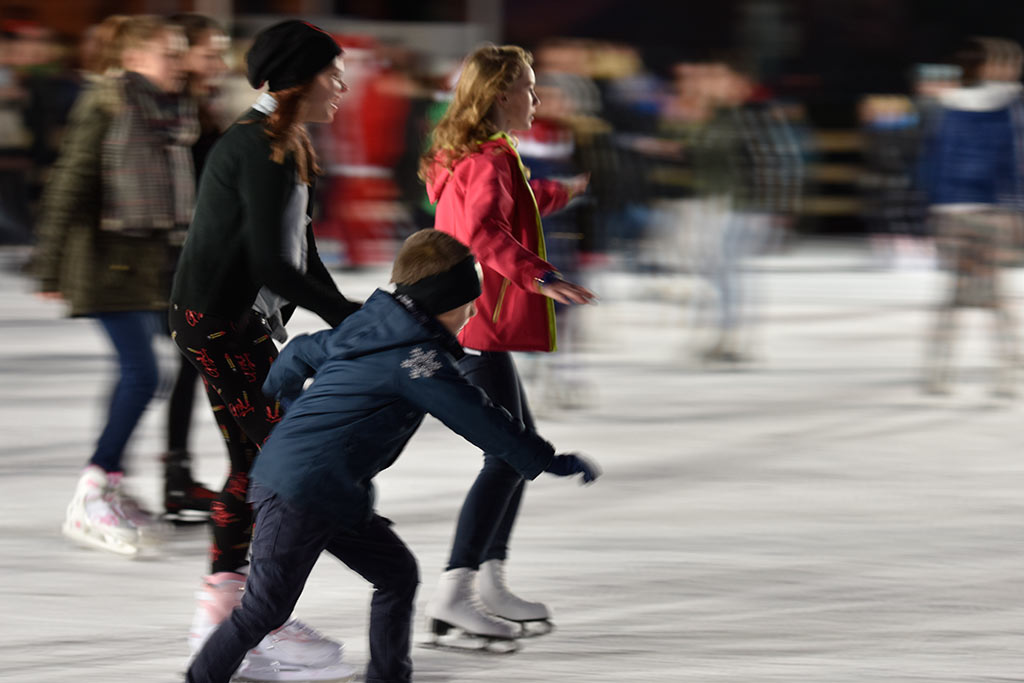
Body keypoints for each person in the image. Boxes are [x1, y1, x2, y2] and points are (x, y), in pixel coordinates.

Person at [185, 228, 600, 683]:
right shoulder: (418, 361)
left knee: (397, 575)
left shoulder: (370, 325)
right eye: (469, 301)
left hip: (331, 491)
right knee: (263, 609)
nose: (474, 311)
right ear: (445, 301)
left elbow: (300, 351)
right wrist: (548, 459)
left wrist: (284, 404)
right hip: (298, 490)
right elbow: (481, 419)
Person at [168, 19, 360, 678]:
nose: (343, 84)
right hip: (220, 326)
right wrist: (351, 319)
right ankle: (256, 618)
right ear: (300, 77)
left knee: (257, 464)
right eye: (334, 72)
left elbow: (299, 251)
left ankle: (226, 610)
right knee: (288, 460)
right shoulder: (257, 147)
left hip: (233, 325)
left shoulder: (286, 142)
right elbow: (273, 265)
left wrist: (354, 314)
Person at [419, 44, 596, 640]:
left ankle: (488, 578)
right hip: (476, 325)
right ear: (500, 94)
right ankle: (456, 590)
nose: (537, 98)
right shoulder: (491, 158)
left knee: (516, 451)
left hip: (471, 324)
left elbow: (511, 203)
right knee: (507, 454)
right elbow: (484, 233)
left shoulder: (474, 155)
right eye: (528, 87)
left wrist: (559, 192)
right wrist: (542, 277)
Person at [33, 15, 195, 556]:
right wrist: (49, 265)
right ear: (135, 58)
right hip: (105, 263)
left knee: (143, 374)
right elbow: (70, 183)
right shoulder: (106, 104)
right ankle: (94, 489)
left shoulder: (170, 112)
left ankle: (111, 483)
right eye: (170, 54)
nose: (180, 64)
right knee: (144, 373)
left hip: (147, 265)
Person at [921, 37, 1024, 396]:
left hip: (952, 210)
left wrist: (934, 205)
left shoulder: (946, 106)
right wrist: (1017, 210)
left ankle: (939, 369)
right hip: (990, 209)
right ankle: (1006, 369)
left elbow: (932, 160)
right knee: (993, 292)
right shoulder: (1010, 107)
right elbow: (1013, 162)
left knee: (955, 292)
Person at [160, 13, 230, 520]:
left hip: (200, 257)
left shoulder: (197, 110)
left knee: (193, 370)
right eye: (210, 53)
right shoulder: (176, 115)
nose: (220, 63)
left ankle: (179, 477)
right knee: (193, 367)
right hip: (180, 260)